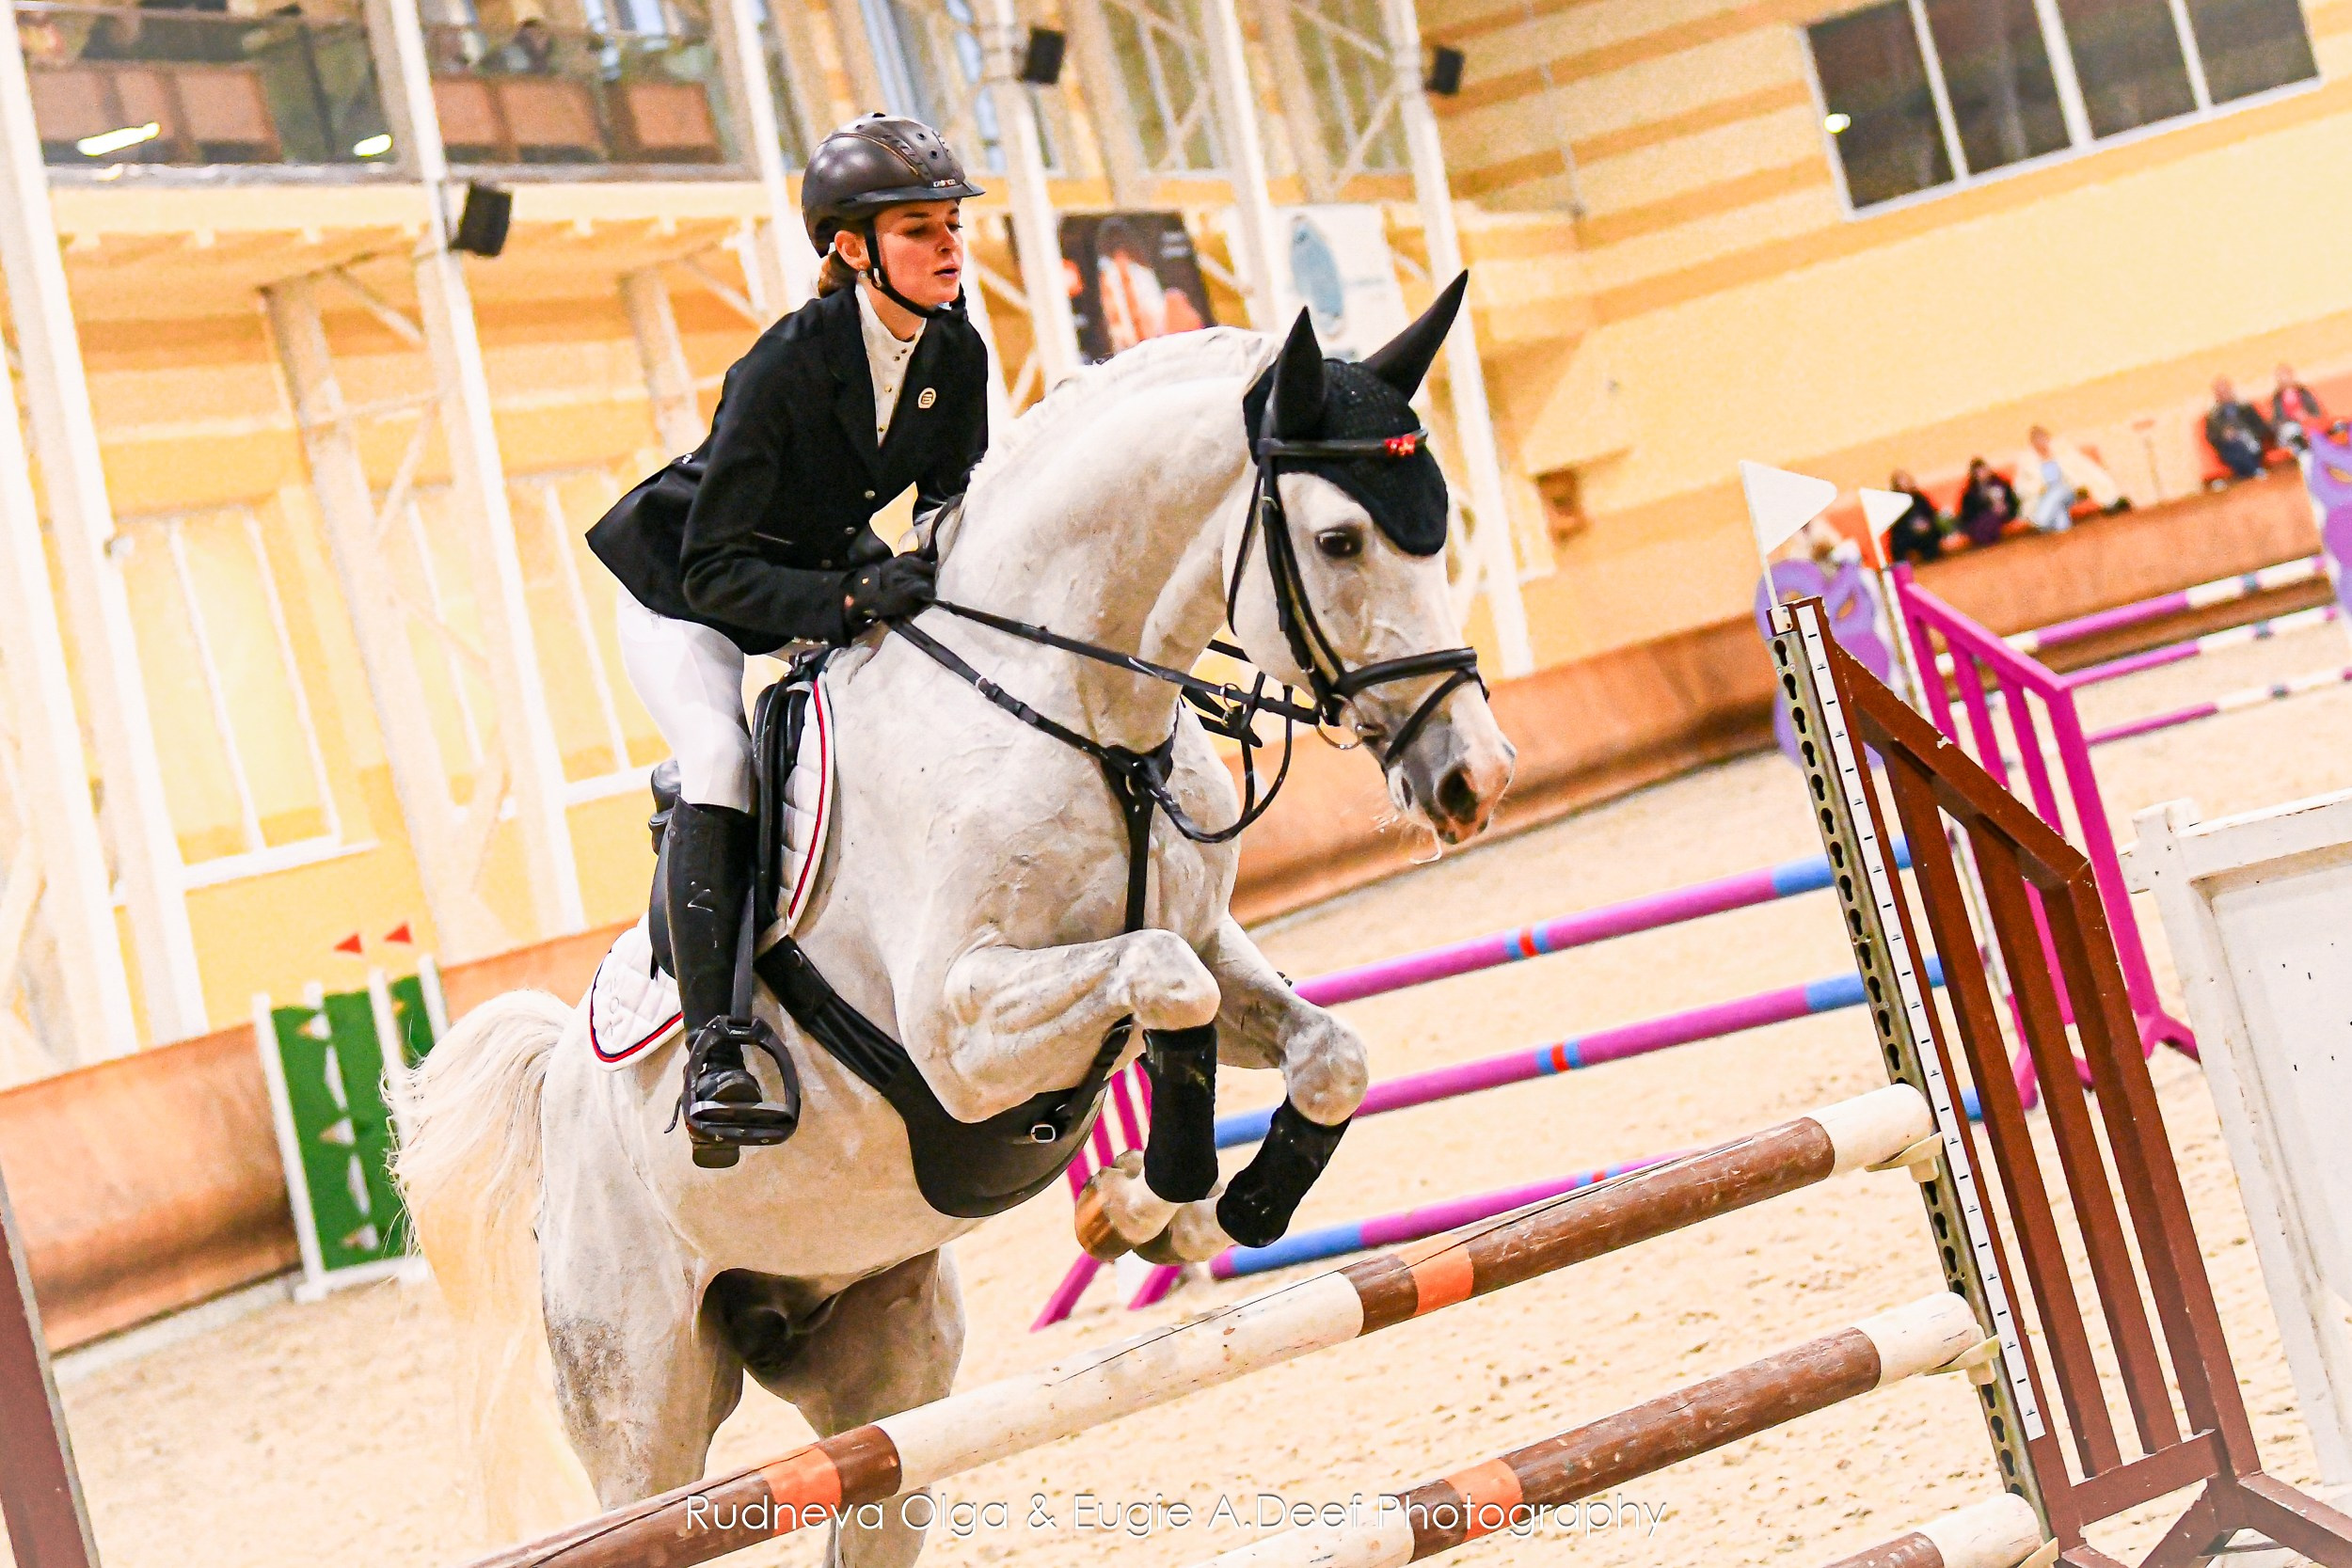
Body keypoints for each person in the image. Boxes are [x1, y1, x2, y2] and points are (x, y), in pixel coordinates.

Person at [585, 114, 989, 1155]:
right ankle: (718, 1046)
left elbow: (954, 504)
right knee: (722, 755)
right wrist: (854, 602)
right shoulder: (784, 365)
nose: (948, 246)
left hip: (815, 565)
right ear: (852, 248)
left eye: (951, 224)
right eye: (918, 228)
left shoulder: (957, 348)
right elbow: (719, 565)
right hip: (686, 589)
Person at [2014, 425, 2123, 533]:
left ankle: (2041, 520)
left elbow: (2086, 468)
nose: (2040, 442)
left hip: (2068, 490)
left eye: (2042, 438)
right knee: (2062, 526)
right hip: (2043, 497)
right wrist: (2038, 489)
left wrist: (2096, 487)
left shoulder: (2064, 453)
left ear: (2048, 438)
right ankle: (2049, 524)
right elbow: (2020, 486)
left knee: (2057, 490)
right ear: (2032, 443)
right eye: (2036, 440)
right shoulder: (2026, 462)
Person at [2204, 376, 2275, 482]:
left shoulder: (2246, 408)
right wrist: (2223, 436)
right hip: (2230, 449)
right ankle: (2254, 470)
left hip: (2251, 444)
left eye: (2226, 391)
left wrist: (2248, 433)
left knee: (2242, 442)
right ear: (2216, 396)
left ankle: (2246, 474)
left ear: (2231, 390)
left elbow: (2262, 427)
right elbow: (2211, 438)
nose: (2224, 395)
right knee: (2234, 444)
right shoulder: (2213, 417)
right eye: (2220, 393)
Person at [1883, 470, 1949, 565]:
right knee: (1899, 541)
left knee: (1935, 530)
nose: (1904, 485)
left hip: (1924, 531)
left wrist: (1927, 523)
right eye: (1901, 482)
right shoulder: (1894, 501)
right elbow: (1895, 524)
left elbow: (1932, 513)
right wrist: (1912, 527)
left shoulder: (1919, 497)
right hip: (1905, 534)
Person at [1955, 458, 2020, 546]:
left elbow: (2012, 501)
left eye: (1983, 470)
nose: (1982, 474)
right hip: (1980, 519)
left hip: (2001, 515)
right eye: (1978, 472)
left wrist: (2006, 508)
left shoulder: (2001, 482)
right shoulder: (1970, 492)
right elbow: (1968, 513)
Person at [2271, 364, 2326, 453]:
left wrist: (2306, 415)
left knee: (2305, 436)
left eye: (2286, 376)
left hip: (2307, 425)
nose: (2284, 380)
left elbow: (2317, 412)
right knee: (2292, 429)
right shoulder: (2277, 398)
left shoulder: (2303, 392)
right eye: (2281, 377)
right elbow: (2275, 421)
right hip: (2289, 429)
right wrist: (2291, 418)